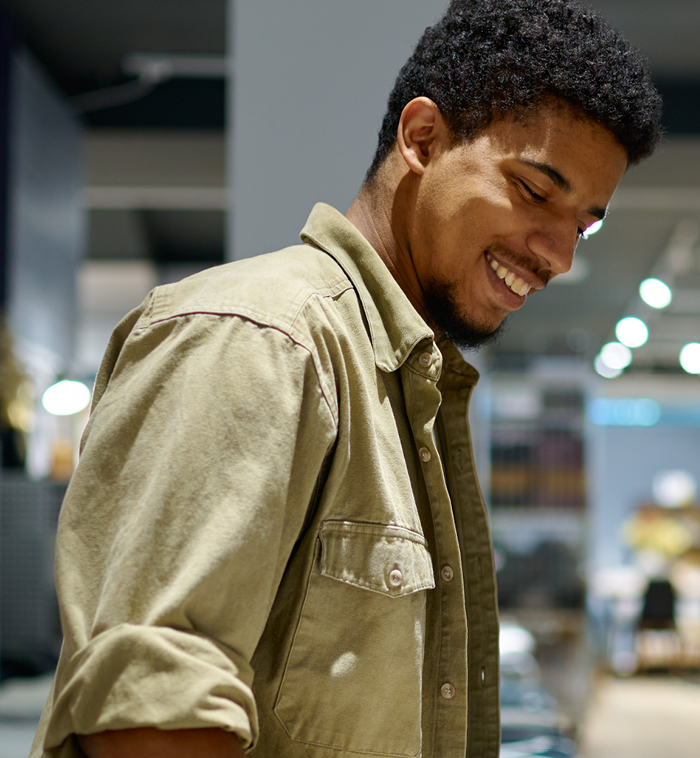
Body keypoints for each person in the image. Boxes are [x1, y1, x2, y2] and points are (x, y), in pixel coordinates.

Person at [31, 1, 662, 756]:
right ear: (422, 138)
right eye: (533, 191)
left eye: (584, 223)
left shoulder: (405, 385)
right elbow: (149, 717)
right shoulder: (259, 338)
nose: (560, 255)